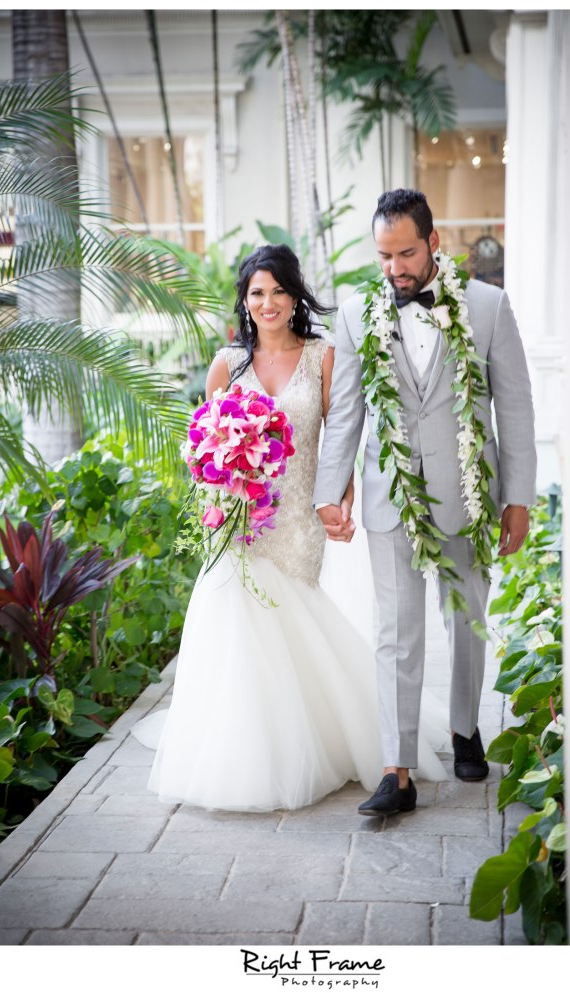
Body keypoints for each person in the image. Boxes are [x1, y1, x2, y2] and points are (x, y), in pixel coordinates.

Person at [132, 244, 450, 812]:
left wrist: (340, 499)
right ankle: (246, 753)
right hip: (239, 516)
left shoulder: (322, 357)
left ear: (294, 294)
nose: (268, 302)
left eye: (278, 290)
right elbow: (203, 446)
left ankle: (327, 738)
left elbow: (343, 437)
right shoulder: (227, 366)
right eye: (257, 292)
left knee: (291, 618)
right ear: (245, 301)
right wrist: (219, 476)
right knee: (237, 621)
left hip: (299, 518)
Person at [313, 189, 537, 817]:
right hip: (390, 498)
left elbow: (514, 408)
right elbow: (348, 410)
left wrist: (515, 498)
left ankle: (466, 727)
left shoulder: (489, 307)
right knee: (395, 633)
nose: (395, 269)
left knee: (465, 619)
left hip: (468, 493)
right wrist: (329, 492)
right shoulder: (358, 313)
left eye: (406, 253)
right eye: (384, 256)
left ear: (433, 243)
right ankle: (397, 768)